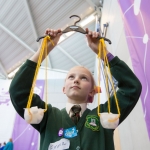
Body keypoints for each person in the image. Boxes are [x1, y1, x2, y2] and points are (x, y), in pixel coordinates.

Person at [9, 28, 142, 150]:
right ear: (63, 89)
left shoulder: (105, 115)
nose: (76, 80)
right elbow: (18, 91)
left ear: (92, 90)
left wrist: (103, 53)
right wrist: (42, 52)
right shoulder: (47, 116)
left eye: (84, 78)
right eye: (71, 77)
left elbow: (131, 88)